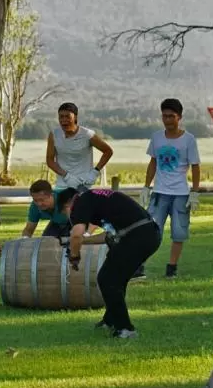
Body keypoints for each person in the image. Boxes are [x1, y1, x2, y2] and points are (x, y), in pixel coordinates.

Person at [59, 186, 160, 339]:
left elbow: (76, 235)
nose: (70, 217)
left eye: (65, 213)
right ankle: (110, 320)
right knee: (116, 280)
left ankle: (126, 329)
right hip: (148, 233)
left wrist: (74, 256)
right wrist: (84, 242)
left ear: (67, 205)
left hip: (138, 237)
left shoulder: (79, 203)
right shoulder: (94, 198)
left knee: (107, 279)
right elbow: (108, 236)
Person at [138, 98, 201, 279]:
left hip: (180, 193)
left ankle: (171, 267)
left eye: (171, 116)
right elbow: (153, 162)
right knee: (149, 230)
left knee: (178, 231)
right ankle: (140, 266)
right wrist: (146, 186)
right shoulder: (157, 137)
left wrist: (195, 192)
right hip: (159, 192)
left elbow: (195, 166)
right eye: (165, 116)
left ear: (179, 117)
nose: (168, 120)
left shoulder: (188, 140)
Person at [46, 102, 114, 190]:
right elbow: (49, 160)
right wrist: (66, 176)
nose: (64, 120)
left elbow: (108, 151)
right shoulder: (54, 134)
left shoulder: (87, 134)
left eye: (67, 116)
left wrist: (95, 172)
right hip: (62, 185)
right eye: (61, 117)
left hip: (84, 185)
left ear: (75, 117)